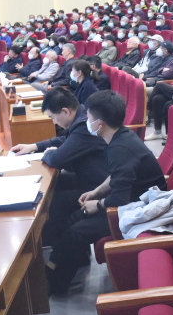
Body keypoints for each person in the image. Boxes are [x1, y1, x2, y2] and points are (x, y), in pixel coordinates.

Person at [46, 91, 167, 295]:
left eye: (89, 118)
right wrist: (96, 191)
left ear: (99, 124)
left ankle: (56, 285)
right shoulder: (120, 137)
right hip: (134, 199)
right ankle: (65, 266)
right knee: (75, 217)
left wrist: (98, 204)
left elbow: (119, 199)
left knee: (76, 232)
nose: (87, 122)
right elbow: (116, 176)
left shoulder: (120, 148)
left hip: (141, 210)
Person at [10, 88, 108, 246]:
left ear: (65, 112)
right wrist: (35, 146)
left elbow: (56, 159)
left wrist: (48, 153)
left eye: (52, 117)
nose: (54, 122)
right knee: (55, 184)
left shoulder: (84, 126)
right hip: (91, 177)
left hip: (99, 186)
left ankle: (61, 247)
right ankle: (54, 243)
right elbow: (66, 140)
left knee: (54, 201)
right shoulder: (81, 115)